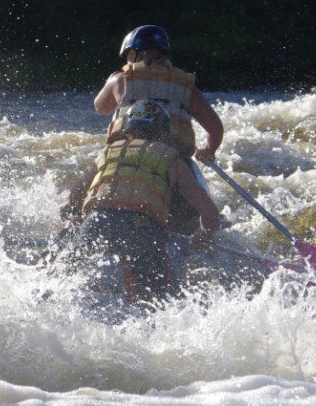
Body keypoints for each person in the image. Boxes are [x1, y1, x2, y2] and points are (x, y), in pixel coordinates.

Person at [60, 100, 221, 306]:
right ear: (164, 134)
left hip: (96, 223)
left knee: (66, 277)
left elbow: (75, 196)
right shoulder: (172, 160)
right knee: (157, 301)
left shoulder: (107, 153)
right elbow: (210, 214)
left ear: (127, 131)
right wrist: (203, 235)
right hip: (142, 229)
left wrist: (70, 214)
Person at [93, 25, 223, 235]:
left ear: (133, 54)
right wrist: (209, 151)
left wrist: (112, 82)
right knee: (188, 226)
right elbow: (216, 129)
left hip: (123, 159)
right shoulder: (185, 85)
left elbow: (101, 107)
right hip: (174, 165)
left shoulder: (119, 79)